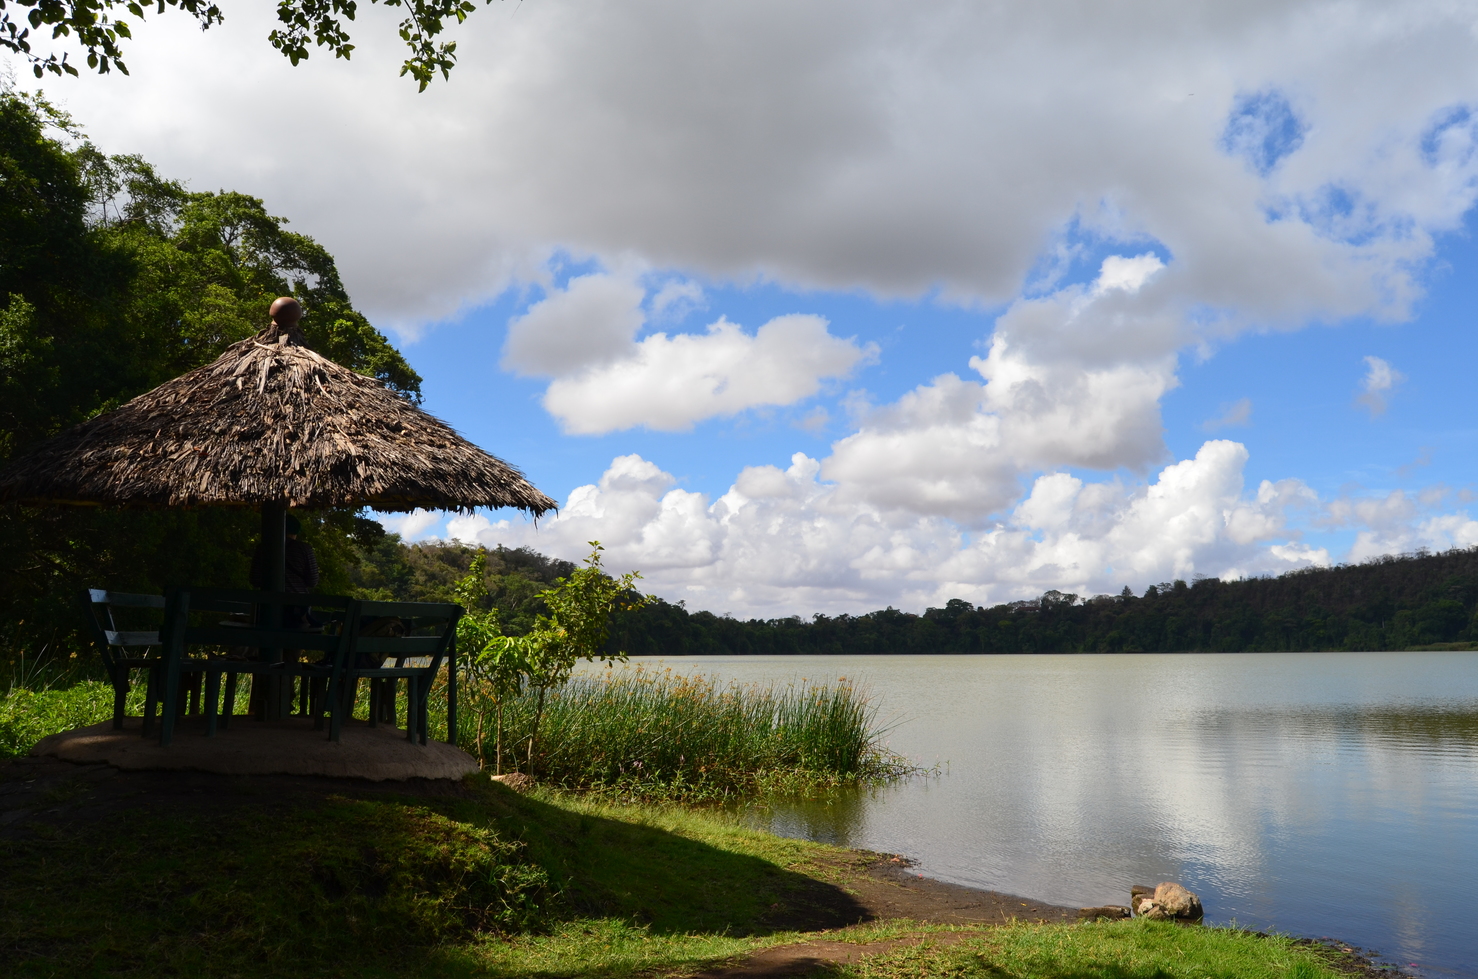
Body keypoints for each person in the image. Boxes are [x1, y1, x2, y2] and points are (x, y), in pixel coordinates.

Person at [250, 514, 320, 628]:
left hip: (266, 608)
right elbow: (313, 581)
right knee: (293, 642)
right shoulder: (305, 549)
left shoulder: (262, 548)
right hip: (296, 609)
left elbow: (255, 579)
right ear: (295, 532)